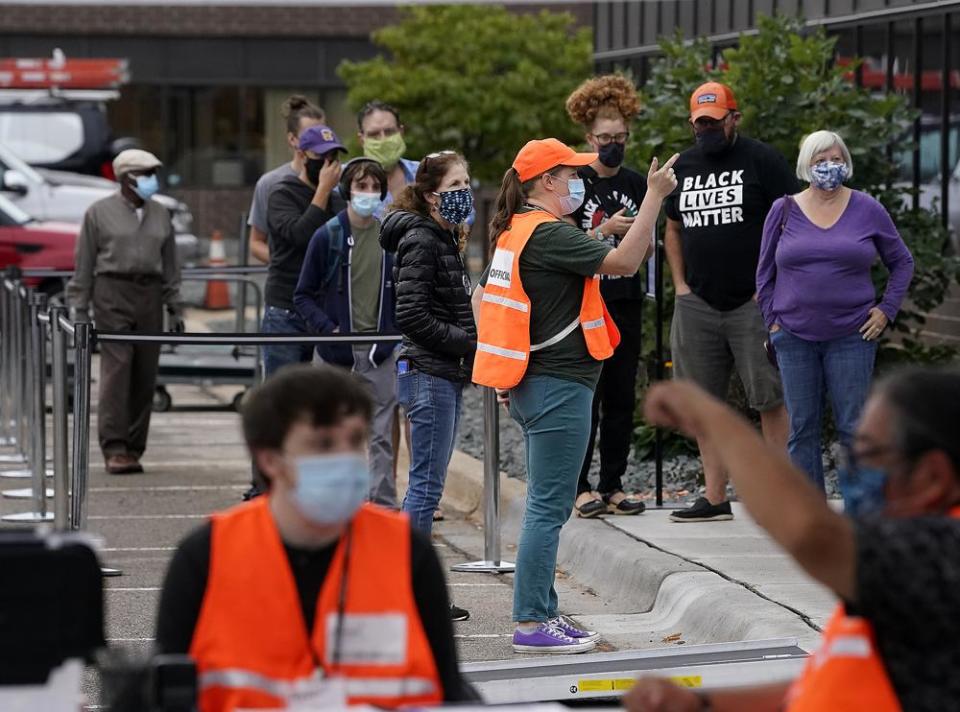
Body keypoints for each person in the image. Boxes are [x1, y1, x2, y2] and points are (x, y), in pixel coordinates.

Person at [626, 367, 960, 712]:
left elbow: (812, 535)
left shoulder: (943, 556)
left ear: (933, 476)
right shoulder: (908, 573)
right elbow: (832, 680)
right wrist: (698, 702)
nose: (855, 472)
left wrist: (712, 417)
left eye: (870, 455)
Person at [155, 365, 474, 711]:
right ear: (269, 458)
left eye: (354, 441)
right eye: (322, 444)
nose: (344, 458)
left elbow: (449, 690)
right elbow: (162, 693)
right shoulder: (206, 555)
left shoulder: (408, 553)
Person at [472, 138, 678, 653]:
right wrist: (653, 195)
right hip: (557, 387)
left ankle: (542, 613)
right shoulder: (545, 234)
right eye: (571, 175)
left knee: (547, 503)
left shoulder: (519, 231)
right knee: (549, 507)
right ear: (546, 182)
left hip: (536, 383)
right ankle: (531, 623)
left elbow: (491, 303)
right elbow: (625, 264)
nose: (579, 184)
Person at [757, 130, 914, 508]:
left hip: (852, 335)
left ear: (846, 160)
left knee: (854, 428)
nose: (829, 166)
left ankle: (863, 510)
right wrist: (773, 322)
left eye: (835, 157)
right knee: (803, 428)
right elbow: (763, 273)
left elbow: (902, 262)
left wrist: (885, 310)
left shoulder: (868, 209)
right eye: (819, 160)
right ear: (806, 166)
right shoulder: (784, 210)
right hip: (793, 335)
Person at [664, 82, 797, 522]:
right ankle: (715, 497)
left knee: (769, 396)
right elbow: (673, 229)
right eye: (699, 122)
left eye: (714, 121)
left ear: (733, 118)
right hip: (697, 302)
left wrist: (772, 285)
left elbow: (793, 224)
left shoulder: (764, 161)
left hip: (754, 302)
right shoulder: (682, 166)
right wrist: (680, 285)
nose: (707, 129)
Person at [379, 151, 477, 622]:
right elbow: (412, 315)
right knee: (425, 488)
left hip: (437, 371)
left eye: (466, 181)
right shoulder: (422, 238)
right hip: (430, 372)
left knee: (424, 486)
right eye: (456, 184)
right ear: (430, 194)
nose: (465, 192)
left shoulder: (441, 237)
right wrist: (466, 343)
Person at [66, 149, 183, 475]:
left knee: (145, 372)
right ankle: (114, 446)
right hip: (112, 290)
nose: (151, 180)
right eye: (145, 173)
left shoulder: (161, 213)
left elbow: (171, 263)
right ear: (126, 178)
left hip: (150, 292)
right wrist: (80, 308)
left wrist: (175, 305)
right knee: (118, 369)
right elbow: (84, 263)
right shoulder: (99, 213)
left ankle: (134, 446)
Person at [293, 157, 400, 508]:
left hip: (379, 349)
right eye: (360, 186)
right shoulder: (329, 235)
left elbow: (401, 291)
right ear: (347, 190)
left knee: (381, 433)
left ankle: (381, 504)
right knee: (329, 431)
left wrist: (393, 331)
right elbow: (303, 294)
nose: (368, 194)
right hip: (336, 351)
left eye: (374, 187)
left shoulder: (390, 237)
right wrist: (329, 329)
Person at [566, 74, 648, 518]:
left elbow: (647, 239)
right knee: (588, 398)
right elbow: (565, 240)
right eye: (605, 137)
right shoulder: (576, 182)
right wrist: (604, 231)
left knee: (621, 398)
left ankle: (612, 483)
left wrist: (639, 239)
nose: (613, 144)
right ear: (588, 137)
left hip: (627, 300)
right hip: (588, 304)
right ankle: (579, 487)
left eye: (620, 137)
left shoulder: (636, 184)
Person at [262, 124, 346, 377]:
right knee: (285, 392)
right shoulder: (282, 194)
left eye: (334, 158)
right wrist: (322, 191)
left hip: (323, 312)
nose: (329, 165)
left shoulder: (338, 200)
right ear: (302, 154)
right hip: (286, 311)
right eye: (321, 158)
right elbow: (300, 236)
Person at [246, 96, 325, 265]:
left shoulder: (334, 178)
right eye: (310, 135)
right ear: (292, 139)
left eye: (322, 134)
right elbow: (255, 242)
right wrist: (287, 264)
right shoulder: (271, 183)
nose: (318, 142)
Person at [356, 100, 420, 217]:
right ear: (361, 139)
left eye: (389, 132)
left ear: (401, 132)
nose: (383, 139)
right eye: (374, 134)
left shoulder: (424, 173)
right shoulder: (344, 179)